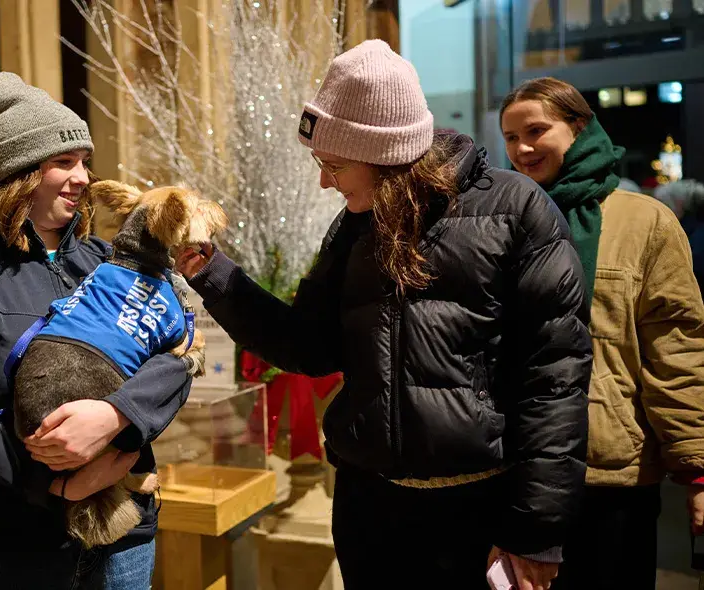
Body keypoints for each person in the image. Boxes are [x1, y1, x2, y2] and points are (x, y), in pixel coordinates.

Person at [177, 40, 591, 589]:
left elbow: (555, 379)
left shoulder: (516, 210)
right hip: (370, 510)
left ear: (386, 155)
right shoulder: (354, 225)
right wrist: (215, 276)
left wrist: (536, 529)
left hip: (478, 510)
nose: (325, 181)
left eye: (335, 165)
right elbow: (308, 346)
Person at [0, 72, 192, 589]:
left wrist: (115, 415)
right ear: (18, 174)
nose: (83, 177)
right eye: (64, 162)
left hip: (123, 543)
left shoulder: (112, 263)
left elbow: (174, 359)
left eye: (84, 161)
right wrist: (60, 483)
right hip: (11, 550)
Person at [500, 77, 704, 589]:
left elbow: (675, 350)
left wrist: (696, 469)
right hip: (516, 468)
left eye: (536, 130)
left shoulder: (644, 223)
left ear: (578, 126)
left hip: (611, 472)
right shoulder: (501, 221)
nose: (522, 148)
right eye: (509, 136)